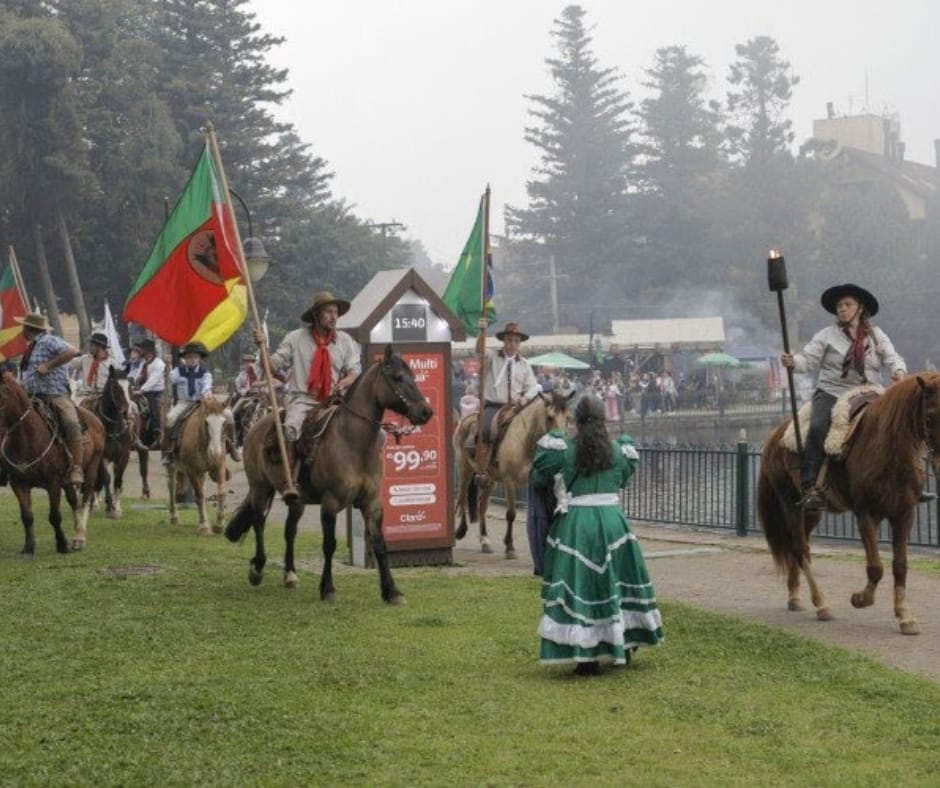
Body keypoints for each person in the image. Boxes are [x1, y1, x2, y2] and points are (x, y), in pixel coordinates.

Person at [532, 394, 664, 675]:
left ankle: (586, 657)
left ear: (576, 422)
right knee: (615, 583)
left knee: (582, 586)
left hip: (577, 525)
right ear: (604, 421)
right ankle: (622, 643)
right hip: (612, 521)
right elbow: (625, 479)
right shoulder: (619, 451)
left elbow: (539, 475)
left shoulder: (562, 449)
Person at [781, 283, 906, 512]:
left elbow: (892, 357)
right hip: (832, 391)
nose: (842, 309)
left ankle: (905, 481)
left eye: (847, 304)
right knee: (818, 427)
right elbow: (806, 361)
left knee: (896, 425)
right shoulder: (826, 335)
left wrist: (898, 371)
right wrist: (793, 362)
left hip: (869, 391)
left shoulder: (876, 336)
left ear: (860, 308)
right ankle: (810, 487)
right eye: (839, 305)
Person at [258, 290, 361, 504]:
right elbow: (274, 365)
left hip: (333, 399)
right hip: (302, 398)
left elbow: (354, 370)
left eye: (336, 312)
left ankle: (361, 477)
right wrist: (262, 348)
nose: (334, 317)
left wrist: (344, 382)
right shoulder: (296, 338)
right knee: (292, 426)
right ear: (316, 315)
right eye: (328, 312)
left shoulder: (346, 341)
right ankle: (290, 481)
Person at [15, 312, 85, 485]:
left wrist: (49, 365)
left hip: (54, 395)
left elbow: (72, 351)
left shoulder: (48, 340)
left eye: (23, 326)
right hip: (31, 396)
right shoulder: (30, 348)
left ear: (29, 328)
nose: (21, 329)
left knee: (71, 423)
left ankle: (76, 468)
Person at [162, 341, 240, 466]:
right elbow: (169, 378)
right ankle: (169, 450)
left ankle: (231, 444)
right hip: (184, 402)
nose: (192, 359)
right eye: (189, 357)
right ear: (185, 359)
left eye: (194, 357)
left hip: (203, 401)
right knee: (170, 418)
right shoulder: (178, 371)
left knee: (229, 415)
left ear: (199, 358)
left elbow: (206, 386)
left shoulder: (205, 373)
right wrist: (167, 365)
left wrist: (206, 396)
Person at [464, 322, 540, 450]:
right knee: (485, 430)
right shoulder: (492, 356)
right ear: (504, 341)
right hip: (494, 407)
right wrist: (482, 332)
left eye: (516, 341)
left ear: (519, 343)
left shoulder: (524, 363)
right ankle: (482, 463)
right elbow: (479, 350)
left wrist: (526, 398)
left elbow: (533, 387)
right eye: (509, 340)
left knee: (532, 434)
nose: (512, 344)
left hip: (515, 408)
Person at [134, 338, 166, 448]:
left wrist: (141, 390)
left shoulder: (159, 364)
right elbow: (138, 376)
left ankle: (157, 433)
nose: (139, 351)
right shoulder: (144, 363)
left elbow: (153, 380)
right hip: (142, 390)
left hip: (154, 392)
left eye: (141, 349)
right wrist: (135, 383)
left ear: (148, 351)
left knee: (153, 407)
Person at [69, 331, 115, 400]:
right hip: (86, 396)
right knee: (73, 407)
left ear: (99, 347)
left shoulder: (113, 363)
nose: (90, 347)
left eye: (92, 345)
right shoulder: (85, 359)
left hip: (104, 397)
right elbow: (69, 363)